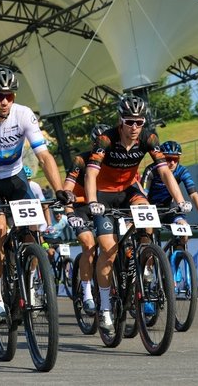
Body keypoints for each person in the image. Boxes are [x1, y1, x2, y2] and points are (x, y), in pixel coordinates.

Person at [0, 67, 73, 322]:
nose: (5, 101)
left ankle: (28, 283)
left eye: (9, 95)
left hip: (17, 179)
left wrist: (61, 188)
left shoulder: (24, 115)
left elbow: (44, 156)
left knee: (31, 230)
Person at [84, 95, 191, 331]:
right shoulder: (106, 139)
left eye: (139, 122)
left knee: (147, 217)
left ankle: (146, 267)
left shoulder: (149, 137)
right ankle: (104, 308)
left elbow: (164, 172)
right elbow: (91, 173)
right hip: (104, 195)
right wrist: (92, 201)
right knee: (109, 252)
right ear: (120, 121)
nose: (134, 127)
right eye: (130, 121)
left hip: (130, 190)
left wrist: (181, 200)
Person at [63, 123, 110, 315]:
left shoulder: (114, 160)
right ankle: (87, 292)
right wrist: (69, 212)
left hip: (104, 206)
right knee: (89, 244)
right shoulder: (80, 160)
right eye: (98, 143)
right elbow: (67, 189)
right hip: (81, 208)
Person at [141, 140, 198, 233]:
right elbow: (143, 195)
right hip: (151, 208)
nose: (173, 163)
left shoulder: (181, 171)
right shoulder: (151, 170)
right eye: (169, 159)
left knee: (184, 232)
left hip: (169, 208)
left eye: (176, 159)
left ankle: (179, 246)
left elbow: (194, 195)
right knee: (147, 233)